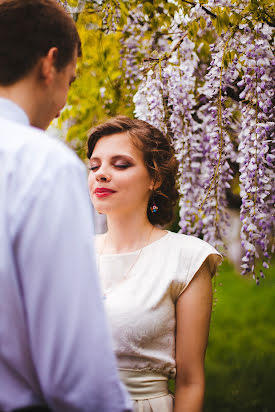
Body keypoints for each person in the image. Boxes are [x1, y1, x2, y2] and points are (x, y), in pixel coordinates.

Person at [0, 1, 132, 412]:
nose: (63, 103)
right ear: (49, 64)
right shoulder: (43, 165)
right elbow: (76, 378)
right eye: (71, 81)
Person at [87, 116, 222, 412]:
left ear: (154, 178)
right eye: (94, 166)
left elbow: (190, 382)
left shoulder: (186, 257)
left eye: (120, 164)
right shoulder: (73, 253)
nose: (101, 174)